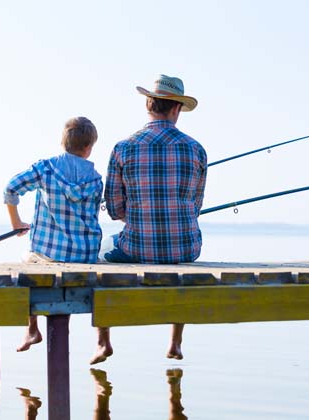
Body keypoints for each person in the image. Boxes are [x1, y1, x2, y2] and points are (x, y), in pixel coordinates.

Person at [94, 74, 207, 364]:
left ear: (148, 104)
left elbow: (116, 210)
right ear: (176, 109)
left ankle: (103, 342)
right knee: (178, 263)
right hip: (186, 250)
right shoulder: (196, 150)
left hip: (136, 248)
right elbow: (194, 207)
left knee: (98, 251)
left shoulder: (123, 148)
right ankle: (175, 343)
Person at [4, 116, 103, 352]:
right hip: (85, 255)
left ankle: (32, 329)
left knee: (27, 263)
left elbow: (11, 188)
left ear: (62, 142)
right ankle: (103, 340)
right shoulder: (96, 180)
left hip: (49, 253)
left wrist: (16, 222)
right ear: (89, 148)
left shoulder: (45, 169)